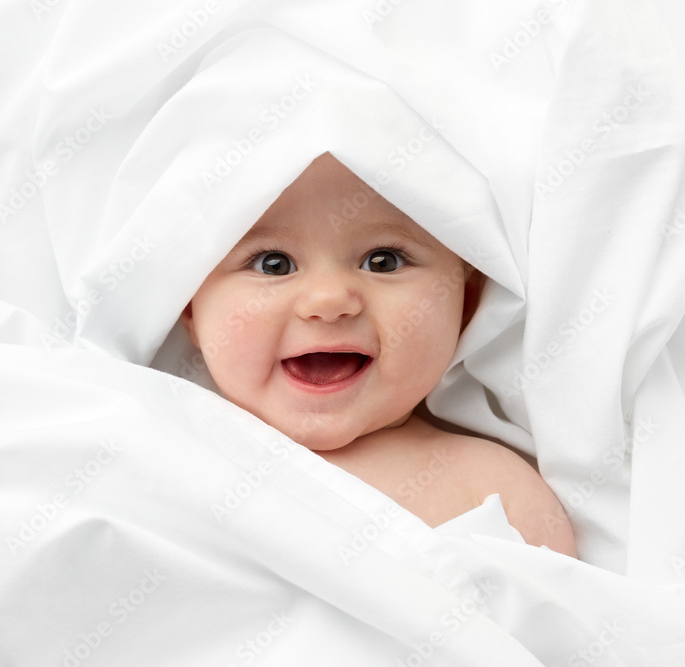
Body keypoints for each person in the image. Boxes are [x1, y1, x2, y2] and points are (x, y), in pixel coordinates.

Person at [180, 152, 576, 557]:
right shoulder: (166, 451)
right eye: (274, 264)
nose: (329, 300)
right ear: (189, 309)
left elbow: (564, 615)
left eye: (383, 262)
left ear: (465, 306)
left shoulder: (490, 486)